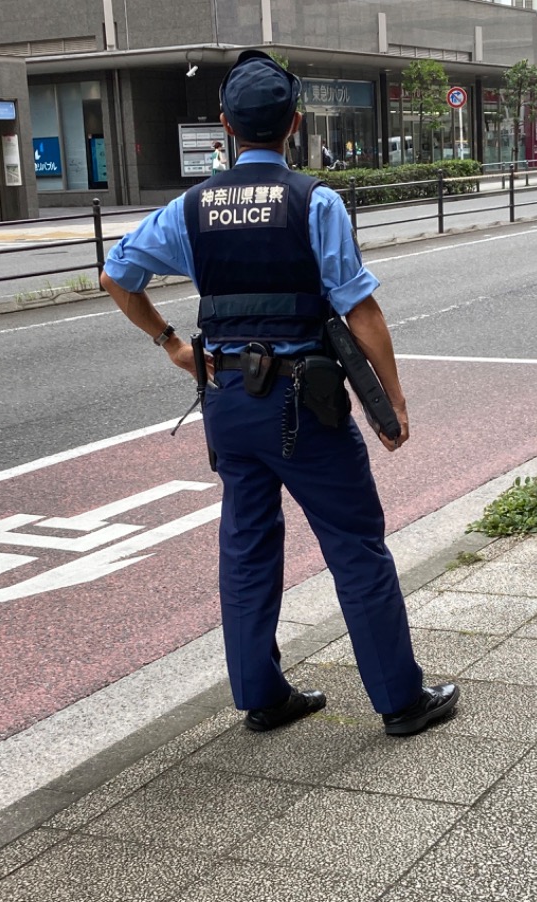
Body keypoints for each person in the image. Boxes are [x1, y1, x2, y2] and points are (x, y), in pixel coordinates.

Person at [100, 49, 459, 737]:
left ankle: (262, 697)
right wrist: (394, 402)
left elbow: (118, 275)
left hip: (228, 402)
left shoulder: (192, 207)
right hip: (304, 405)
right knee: (354, 544)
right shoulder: (312, 201)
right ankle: (401, 700)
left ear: (225, 126)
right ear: (294, 122)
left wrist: (172, 344)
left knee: (245, 546)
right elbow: (361, 311)